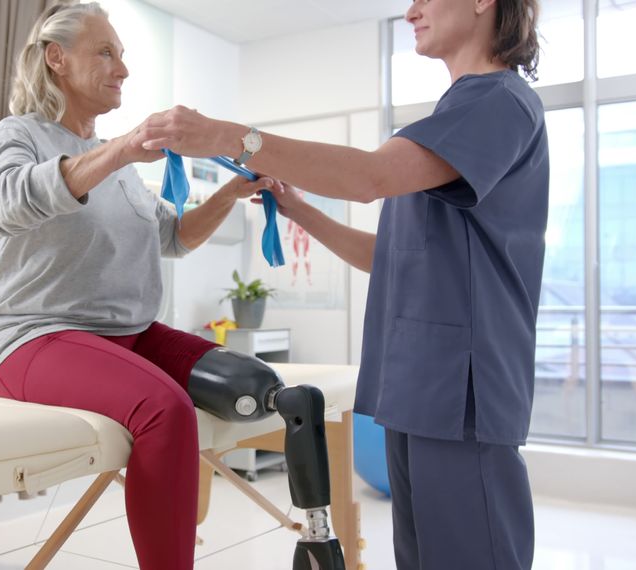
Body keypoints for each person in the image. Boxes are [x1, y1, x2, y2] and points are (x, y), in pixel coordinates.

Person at [136, 0, 548, 568]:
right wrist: (297, 209)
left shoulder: (498, 102)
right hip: (419, 388)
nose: (411, 11)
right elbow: (390, 258)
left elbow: (368, 177)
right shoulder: (447, 121)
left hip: (461, 390)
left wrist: (227, 136)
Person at [0, 3, 280, 569]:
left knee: (259, 382)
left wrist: (228, 197)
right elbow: (2, 206)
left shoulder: (116, 162)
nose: (123, 69)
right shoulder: (18, 135)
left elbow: (172, 236)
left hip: (129, 335)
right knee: (165, 409)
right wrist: (117, 150)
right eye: (106, 53)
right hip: (31, 336)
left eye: (122, 56)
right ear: (56, 59)